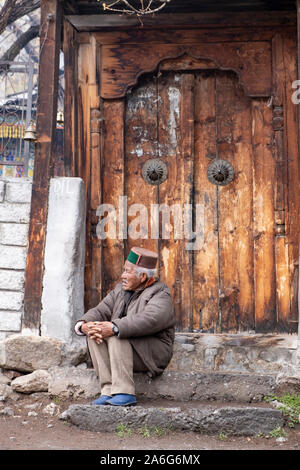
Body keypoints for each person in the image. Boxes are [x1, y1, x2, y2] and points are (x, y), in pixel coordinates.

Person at [74, 246, 176, 407]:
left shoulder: (160, 293)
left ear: (142, 276)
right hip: (126, 351)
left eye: (128, 272)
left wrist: (114, 327)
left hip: (152, 354)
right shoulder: (120, 291)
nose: (123, 276)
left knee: (116, 334)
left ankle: (124, 392)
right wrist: (84, 325)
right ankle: (107, 390)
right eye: (124, 271)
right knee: (95, 334)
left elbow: (150, 319)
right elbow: (101, 310)